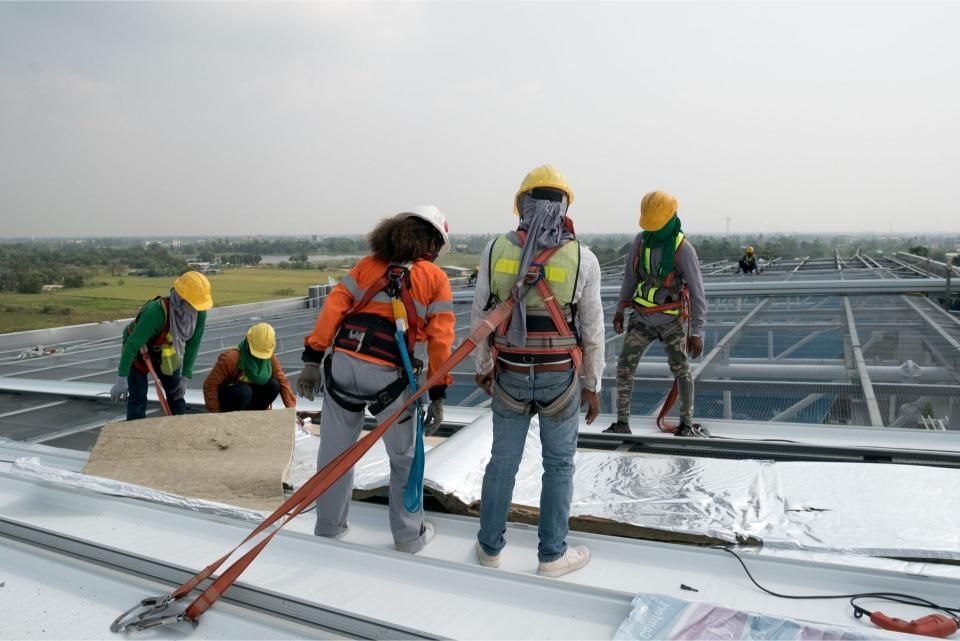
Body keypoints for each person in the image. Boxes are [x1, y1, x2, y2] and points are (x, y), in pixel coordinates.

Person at [298, 207, 455, 554]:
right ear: (432, 242)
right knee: (405, 460)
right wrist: (439, 393)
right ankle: (409, 537)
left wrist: (312, 358)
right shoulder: (434, 277)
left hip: (342, 365)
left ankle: (328, 528)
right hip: (387, 376)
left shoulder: (367, 265)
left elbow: (333, 308)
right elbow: (441, 341)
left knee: (335, 456)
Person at [471, 164, 604, 578]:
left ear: (522, 205)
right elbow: (593, 329)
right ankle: (551, 556)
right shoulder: (583, 257)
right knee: (559, 465)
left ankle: (490, 548)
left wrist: (484, 367)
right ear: (563, 206)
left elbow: (480, 316)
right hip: (558, 377)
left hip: (510, 372)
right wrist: (593, 385)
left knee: (502, 462)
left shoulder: (495, 250)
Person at [605, 191, 706, 437]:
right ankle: (622, 422)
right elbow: (630, 278)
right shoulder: (641, 241)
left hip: (671, 320)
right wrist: (620, 309)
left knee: (681, 369)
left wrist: (696, 332)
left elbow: (697, 293)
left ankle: (685, 424)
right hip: (641, 317)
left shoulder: (683, 249)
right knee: (625, 366)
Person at [109, 271, 213, 420]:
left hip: (166, 353)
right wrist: (121, 377)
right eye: (194, 304)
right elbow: (132, 344)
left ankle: (179, 430)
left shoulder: (199, 314)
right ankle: (135, 435)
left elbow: (193, 345)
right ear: (182, 298)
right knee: (137, 398)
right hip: (139, 351)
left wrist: (185, 377)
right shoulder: (157, 312)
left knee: (176, 395)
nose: (197, 309)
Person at [203, 323, 296, 413]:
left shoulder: (270, 359)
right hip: (230, 400)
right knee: (244, 392)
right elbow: (210, 385)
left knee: (273, 385)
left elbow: (283, 381)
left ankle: (253, 417)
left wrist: (291, 410)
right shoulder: (231, 358)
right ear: (248, 341)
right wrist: (216, 414)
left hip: (248, 401)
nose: (259, 357)